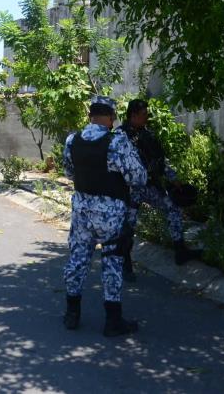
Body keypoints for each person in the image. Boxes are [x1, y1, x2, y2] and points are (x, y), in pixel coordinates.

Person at [62, 95, 147, 337]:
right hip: (110, 215)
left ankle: (72, 313)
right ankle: (112, 320)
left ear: (90, 116)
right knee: (111, 263)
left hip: (81, 212)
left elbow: (69, 172)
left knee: (77, 260)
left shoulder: (72, 140)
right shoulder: (116, 142)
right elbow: (138, 177)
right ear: (111, 118)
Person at [120, 99, 202, 268]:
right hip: (131, 189)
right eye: (144, 114)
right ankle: (125, 258)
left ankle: (180, 251)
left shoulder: (146, 133)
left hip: (150, 186)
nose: (147, 117)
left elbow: (159, 160)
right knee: (129, 223)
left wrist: (173, 178)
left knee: (173, 207)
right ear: (133, 115)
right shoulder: (120, 136)